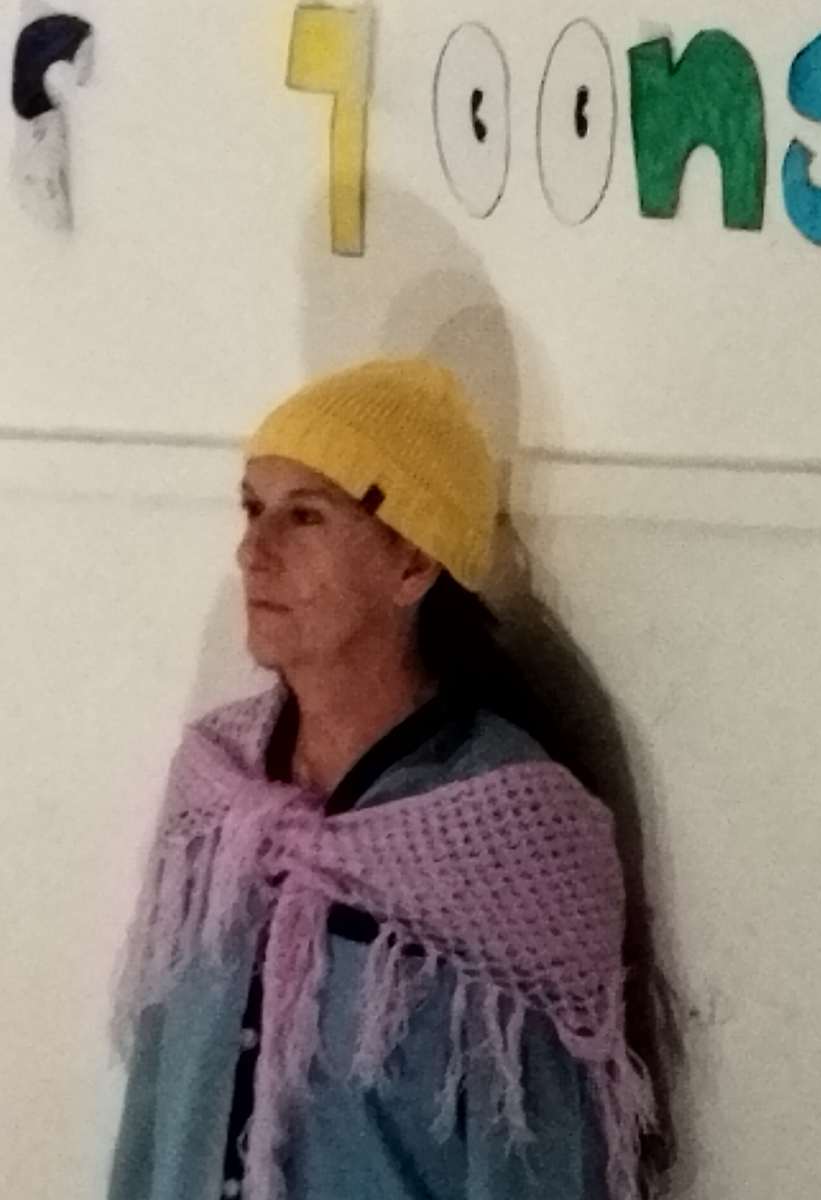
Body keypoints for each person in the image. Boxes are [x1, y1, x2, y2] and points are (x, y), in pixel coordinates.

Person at [109, 358, 654, 1200]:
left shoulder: (513, 833)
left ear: (411, 564)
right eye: (252, 509)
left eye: (305, 516)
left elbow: (538, 1161)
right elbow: (154, 1100)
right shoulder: (216, 789)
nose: (253, 551)